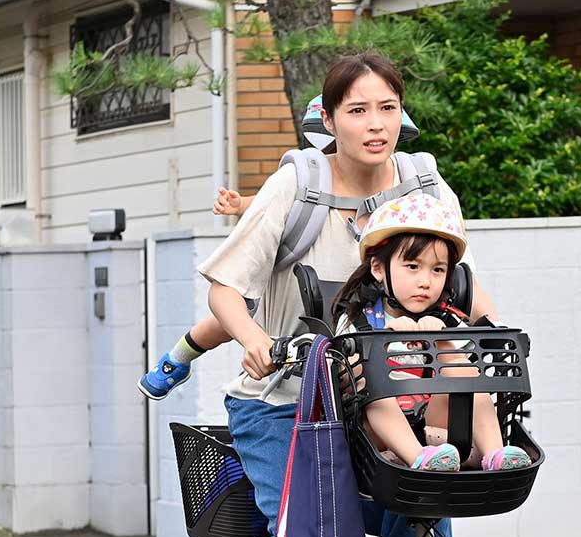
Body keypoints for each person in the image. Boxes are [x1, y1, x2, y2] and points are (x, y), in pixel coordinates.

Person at [199, 52, 490, 537]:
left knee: (424, 501)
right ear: (327, 120)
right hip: (289, 400)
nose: (375, 123)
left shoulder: (424, 184)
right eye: (357, 110)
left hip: (383, 394)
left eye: (387, 107)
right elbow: (225, 289)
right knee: (306, 532)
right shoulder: (296, 187)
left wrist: (490, 335)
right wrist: (257, 339)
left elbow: (460, 286)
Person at [139, 95, 428, 400]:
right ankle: (178, 358)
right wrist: (241, 205)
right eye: (357, 113)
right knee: (231, 316)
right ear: (331, 129)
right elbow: (268, 204)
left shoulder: (401, 189)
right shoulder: (303, 181)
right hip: (278, 293)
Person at [330, 192, 530, 472]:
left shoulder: (448, 320)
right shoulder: (359, 321)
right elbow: (343, 380)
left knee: (472, 383)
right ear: (378, 268)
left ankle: (495, 453)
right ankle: (418, 457)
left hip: (443, 439)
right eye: (412, 267)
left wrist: (442, 342)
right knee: (371, 388)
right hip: (381, 443)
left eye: (437, 270)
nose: (425, 281)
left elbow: (469, 373)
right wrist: (386, 343)